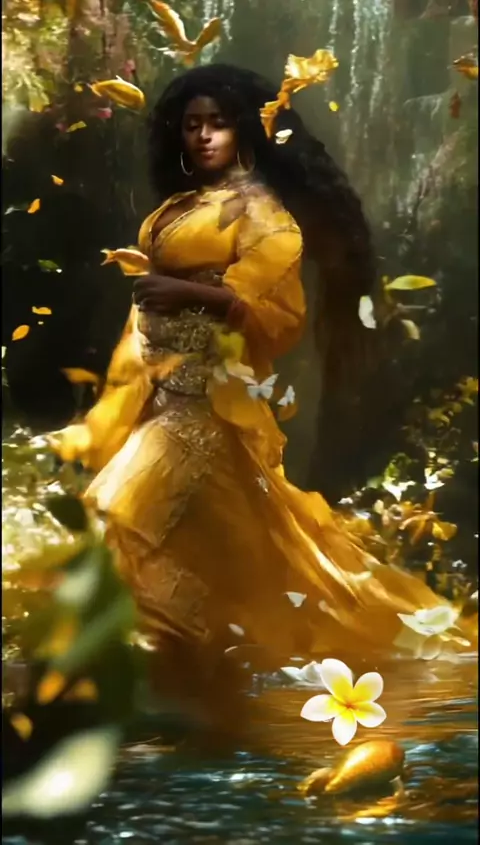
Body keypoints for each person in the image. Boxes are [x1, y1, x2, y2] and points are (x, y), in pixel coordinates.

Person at [49, 64, 475, 738]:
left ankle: (167, 691)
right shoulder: (181, 206)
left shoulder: (263, 213)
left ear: (244, 128)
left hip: (209, 403)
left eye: (217, 123)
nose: (202, 136)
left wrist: (191, 292)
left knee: (122, 521)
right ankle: (179, 691)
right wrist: (129, 393)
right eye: (192, 124)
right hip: (165, 397)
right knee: (219, 550)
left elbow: (277, 318)